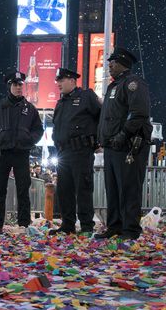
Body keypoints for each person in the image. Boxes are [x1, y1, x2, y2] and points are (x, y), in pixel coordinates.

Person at [95, 47, 151, 241]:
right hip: (111, 147)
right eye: (110, 62)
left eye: (114, 62)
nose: (109, 65)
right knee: (113, 189)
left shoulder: (134, 83)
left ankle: (130, 229)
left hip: (128, 147)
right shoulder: (114, 86)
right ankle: (114, 226)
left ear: (124, 63)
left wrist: (123, 134)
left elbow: (139, 114)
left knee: (128, 189)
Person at [0, 71, 44, 233]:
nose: (18, 88)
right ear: (9, 86)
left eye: (20, 85)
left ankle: (23, 224)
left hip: (22, 153)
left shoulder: (29, 109)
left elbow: (38, 129)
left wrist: (30, 140)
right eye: (15, 84)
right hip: (3, 153)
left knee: (23, 189)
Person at [50, 67, 101, 235]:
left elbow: (102, 117)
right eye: (57, 81)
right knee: (65, 190)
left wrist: (99, 140)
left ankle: (87, 225)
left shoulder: (87, 96)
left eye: (61, 80)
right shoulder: (61, 102)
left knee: (83, 189)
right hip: (63, 153)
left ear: (72, 80)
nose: (58, 84)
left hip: (81, 150)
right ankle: (68, 225)